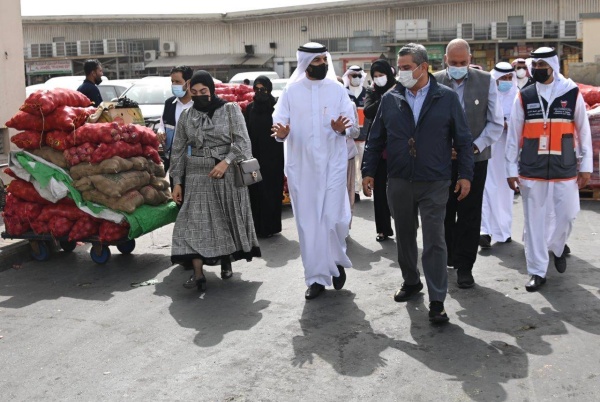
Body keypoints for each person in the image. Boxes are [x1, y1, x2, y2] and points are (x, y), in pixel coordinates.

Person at [362, 43, 474, 323]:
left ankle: (437, 299)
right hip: (399, 179)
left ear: (424, 67)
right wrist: (368, 171)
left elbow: (462, 139)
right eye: (399, 68)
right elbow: (376, 139)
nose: (401, 73)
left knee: (435, 240)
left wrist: (464, 174)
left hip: (435, 179)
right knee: (405, 236)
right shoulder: (390, 99)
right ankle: (411, 281)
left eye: (406, 68)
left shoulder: (445, 98)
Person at [272, 42, 355, 300]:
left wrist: (342, 129)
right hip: (302, 167)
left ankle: (336, 260)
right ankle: (316, 278)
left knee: (335, 218)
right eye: (317, 60)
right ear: (306, 63)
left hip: (333, 164)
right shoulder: (291, 91)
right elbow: (279, 123)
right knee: (308, 224)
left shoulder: (337, 90)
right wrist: (282, 133)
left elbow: (352, 127)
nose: (323, 64)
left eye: (324, 59)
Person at [505, 47, 592, 292]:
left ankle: (556, 246)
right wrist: (510, 169)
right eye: (535, 66)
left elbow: (583, 131)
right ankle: (536, 270)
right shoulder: (524, 95)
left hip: (564, 167)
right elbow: (513, 134)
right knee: (534, 222)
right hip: (532, 168)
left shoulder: (571, 92)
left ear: (553, 65)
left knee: (567, 215)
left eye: (542, 66)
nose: (537, 70)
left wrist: (586, 166)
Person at [170, 70, 261, 291]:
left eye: (204, 91)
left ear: (211, 90)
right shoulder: (187, 116)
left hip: (226, 175)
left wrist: (226, 161)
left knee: (224, 219)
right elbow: (178, 151)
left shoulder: (230, 110)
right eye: (194, 92)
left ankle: (226, 261)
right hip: (196, 175)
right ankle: (198, 273)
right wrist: (177, 181)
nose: (199, 95)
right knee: (192, 223)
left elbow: (243, 143)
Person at [434, 38, 504, 289]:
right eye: (453, 63)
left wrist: (472, 147)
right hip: (441, 161)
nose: (458, 67)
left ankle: (465, 266)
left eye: (463, 62)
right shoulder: (434, 82)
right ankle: (448, 256)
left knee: (469, 213)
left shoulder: (486, 82)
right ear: (445, 60)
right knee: (443, 211)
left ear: (470, 60)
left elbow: (495, 123)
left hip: (475, 159)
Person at [479, 62, 518, 248]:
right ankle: (484, 230)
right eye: (503, 79)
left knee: (504, 192)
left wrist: (509, 125)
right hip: (488, 148)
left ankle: (503, 231)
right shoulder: (486, 95)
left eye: (510, 78)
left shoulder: (518, 98)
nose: (507, 82)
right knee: (486, 189)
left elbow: (520, 123)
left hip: (508, 151)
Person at [244, 75, 284, 238]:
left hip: (273, 157)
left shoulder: (276, 106)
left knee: (271, 191)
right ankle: (257, 227)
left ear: (269, 90)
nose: (260, 92)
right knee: (255, 191)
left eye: (264, 89)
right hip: (254, 158)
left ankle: (271, 226)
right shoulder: (250, 108)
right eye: (257, 89)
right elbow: (245, 131)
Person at [363, 59, 396, 242]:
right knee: (380, 190)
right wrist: (385, 97)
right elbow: (368, 111)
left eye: (381, 75)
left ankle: (403, 225)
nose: (378, 79)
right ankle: (383, 229)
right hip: (379, 146)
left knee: (400, 189)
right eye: (375, 76)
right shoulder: (373, 92)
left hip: (398, 145)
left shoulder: (400, 89)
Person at [156, 65, 194, 175]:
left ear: (188, 83)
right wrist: (161, 132)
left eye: (178, 81)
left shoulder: (197, 105)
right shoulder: (169, 103)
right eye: (172, 81)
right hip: (173, 158)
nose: (174, 85)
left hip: (192, 160)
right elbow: (163, 125)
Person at [336, 76, 361, 225]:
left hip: (347, 155)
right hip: (328, 157)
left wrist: (343, 131)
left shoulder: (350, 105)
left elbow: (356, 131)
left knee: (348, 191)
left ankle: (346, 224)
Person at [343, 65, 368, 203]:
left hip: (364, 136)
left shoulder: (366, 92)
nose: (357, 78)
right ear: (348, 76)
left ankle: (361, 187)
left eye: (359, 76)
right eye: (354, 75)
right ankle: (354, 191)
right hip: (349, 137)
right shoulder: (344, 93)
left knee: (362, 165)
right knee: (351, 167)